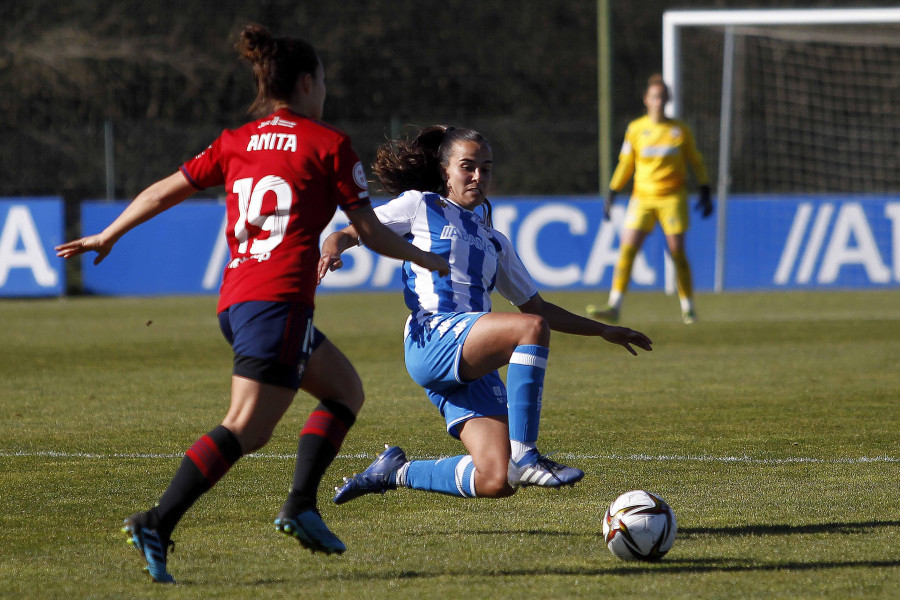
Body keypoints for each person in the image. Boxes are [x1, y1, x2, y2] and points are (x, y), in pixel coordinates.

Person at [55, 24, 448, 584]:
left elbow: (164, 189)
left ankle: (301, 505)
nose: (326, 90)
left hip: (238, 300)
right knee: (246, 428)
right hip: (279, 303)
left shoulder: (236, 141)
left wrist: (109, 233)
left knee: (344, 391)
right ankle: (158, 521)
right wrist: (430, 260)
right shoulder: (328, 144)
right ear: (308, 82)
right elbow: (373, 233)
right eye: (325, 80)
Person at [318, 126, 653, 506]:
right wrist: (333, 248)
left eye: (487, 168)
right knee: (530, 331)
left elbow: (538, 307)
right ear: (445, 171)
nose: (478, 176)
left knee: (497, 478)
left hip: (470, 356)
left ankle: (394, 471)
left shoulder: (495, 241)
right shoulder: (421, 205)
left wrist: (604, 330)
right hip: (434, 336)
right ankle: (526, 455)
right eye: (468, 167)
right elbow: (352, 231)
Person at [587, 74, 712, 325]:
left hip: (672, 198)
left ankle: (688, 308)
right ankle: (614, 306)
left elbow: (695, 161)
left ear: (668, 99)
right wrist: (612, 192)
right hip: (642, 198)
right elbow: (626, 164)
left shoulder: (679, 130)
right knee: (627, 250)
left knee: (677, 253)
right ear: (646, 99)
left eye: (663, 96)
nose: (659, 101)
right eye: (655, 96)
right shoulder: (636, 129)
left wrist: (705, 188)